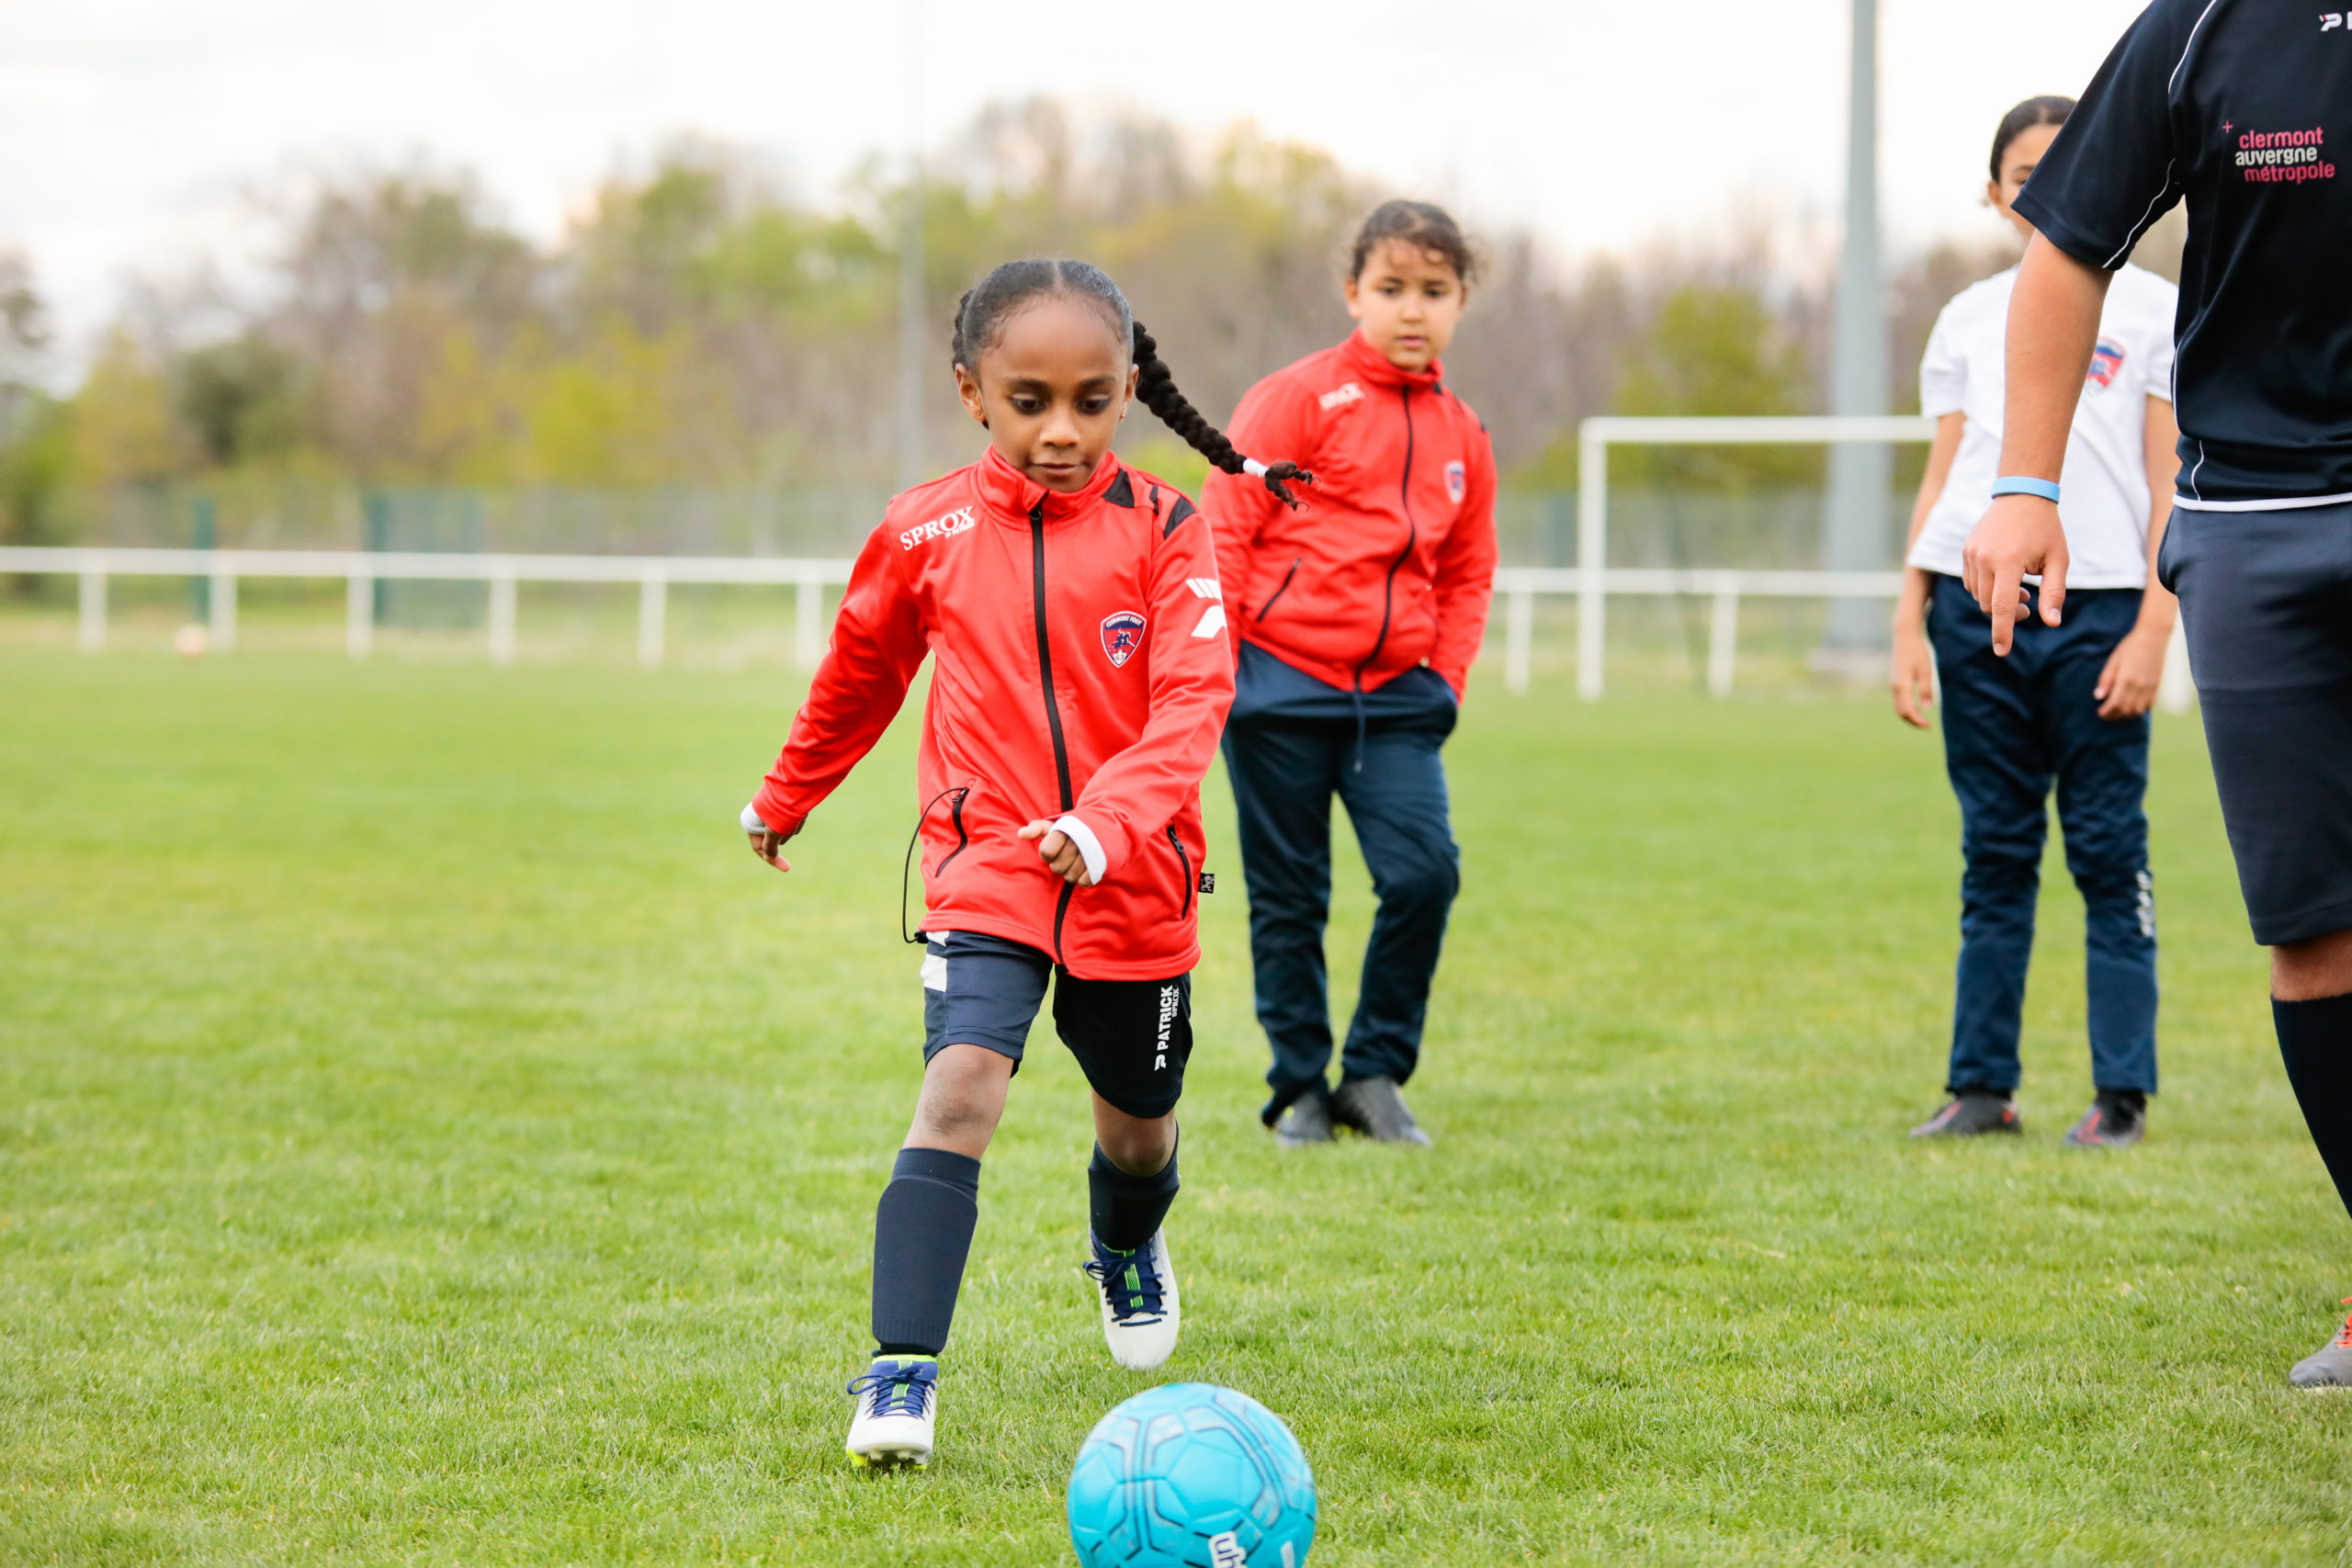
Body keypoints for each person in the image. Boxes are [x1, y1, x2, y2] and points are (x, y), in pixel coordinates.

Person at [741, 259, 1309, 1465]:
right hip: (985, 862)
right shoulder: (924, 528)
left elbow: (1193, 702)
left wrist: (1107, 821)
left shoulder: (1169, 527)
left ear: (1127, 393)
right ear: (972, 393)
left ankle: (1124, 1240)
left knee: (1140, 1133)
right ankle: (900, 1373)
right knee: (959, 1089)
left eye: (1091, 402)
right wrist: (786, 794)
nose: (1061, 430)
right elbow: (860, 675)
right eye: (1029, 401)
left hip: (1134, 873)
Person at [1960, 1, 2352, 1385]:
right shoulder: (2206, 26)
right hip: (2256, 521)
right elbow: (2068, 243)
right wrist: (2024, 485)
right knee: (2315, 934)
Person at [1892, 95, 2180, 1148]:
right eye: (2025, 174)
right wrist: (1908, 618)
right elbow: (1944, 482)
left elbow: (2168, 482)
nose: (2048, 189)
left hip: (2101, 613)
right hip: (1977, 610)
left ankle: (2120, 1095)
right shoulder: (1967, 318)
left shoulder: (2154, 311)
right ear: (1993, 192)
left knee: (2107, 852)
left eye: (2068, 167)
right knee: (1995, 853)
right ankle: (1981, 1089)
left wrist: (2152, 629)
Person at [1204, 200, 1498, 1149]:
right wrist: (1226, 667)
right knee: (1290, 901)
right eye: (1391, 287)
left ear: (1460, 301)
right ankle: (1298, 1088)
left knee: (1424, 876)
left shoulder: (1465, 433)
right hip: (1277, 688)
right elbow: (1226, 530)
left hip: (1400, 701)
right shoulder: (1294, 398)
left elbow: (1468, 572)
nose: (1412, 309)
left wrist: (1446, 680)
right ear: (1353, 292)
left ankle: (1372, 1075)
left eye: (1434, 290)